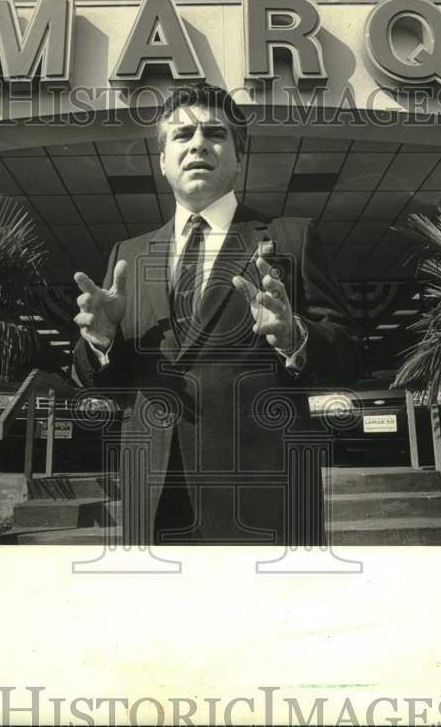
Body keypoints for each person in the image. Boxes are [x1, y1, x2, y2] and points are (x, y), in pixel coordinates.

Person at [72, 83, 361, 546]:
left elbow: (347, 355)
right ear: (162, 160)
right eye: (182, 135)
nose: (198, 144)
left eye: (215, 134)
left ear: (239, 157)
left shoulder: (291, 238)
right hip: (154, 489)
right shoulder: (128, 254)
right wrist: (102, 342)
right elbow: (101, 380)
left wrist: (294, 337)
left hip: (265, 491)